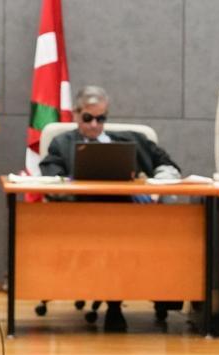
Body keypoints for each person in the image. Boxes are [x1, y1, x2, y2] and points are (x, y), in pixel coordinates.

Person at [39, 85, 182, 332]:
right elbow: (52, 181)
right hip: (82, 224)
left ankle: (142, 296)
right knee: (110, 235)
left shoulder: (133, 140)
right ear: (76, 114)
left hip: (134, 223)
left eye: (101, 118)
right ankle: (114, 304)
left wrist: (155, 186)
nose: (94, 125)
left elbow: (169, 167)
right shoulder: (61, 144)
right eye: (88, 118)